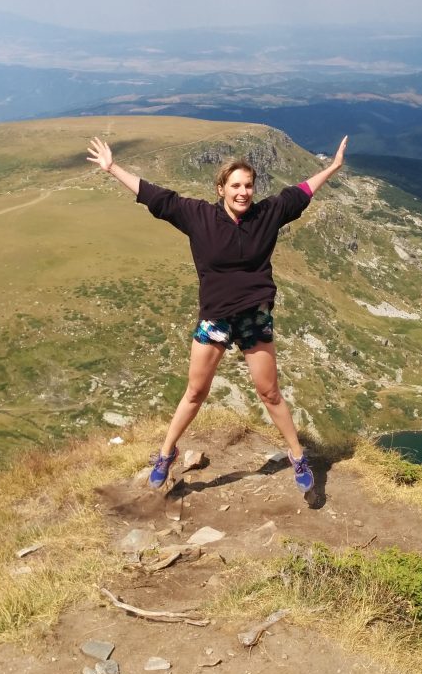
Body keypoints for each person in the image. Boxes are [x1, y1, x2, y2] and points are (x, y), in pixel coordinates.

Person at [87, 133, 348, 494]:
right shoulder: (198, 216)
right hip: (215, 318)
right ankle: (166, 453)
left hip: (254, 317)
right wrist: (113, 168)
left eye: (249, 186)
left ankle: (297, 456)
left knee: (269, 392)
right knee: (195, 392)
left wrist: (331, 168)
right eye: (236, 186)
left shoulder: (267, 215)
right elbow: (156, 197)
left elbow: (300, 192)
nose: (243, 192)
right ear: (221, 188)